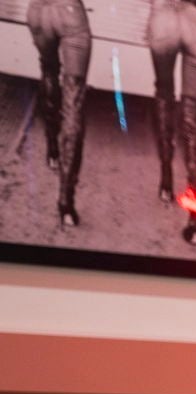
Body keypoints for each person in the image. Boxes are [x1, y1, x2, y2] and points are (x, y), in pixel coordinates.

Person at [147, 0, 196, 248]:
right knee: (192, 118)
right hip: (194, 22)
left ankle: (166, 179)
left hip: (163, 19)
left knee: (164, 93)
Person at [26, 0, 92, 230]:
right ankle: (66, 203)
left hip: (37, 13)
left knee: (48, 70)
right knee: (74, 99)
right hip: (69, 12)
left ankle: (52, 150)